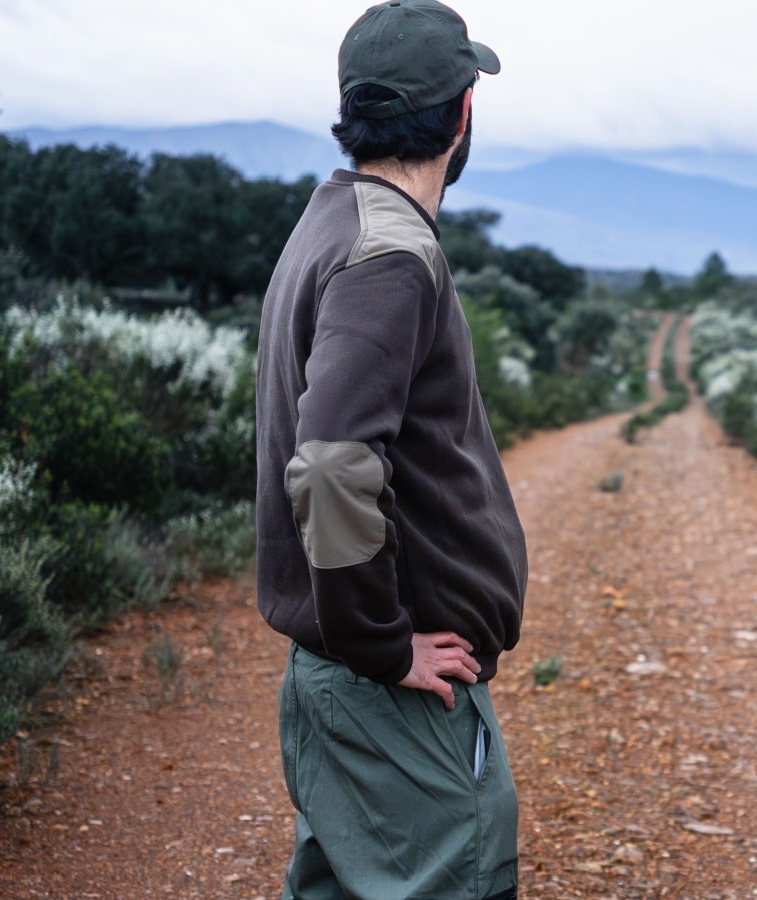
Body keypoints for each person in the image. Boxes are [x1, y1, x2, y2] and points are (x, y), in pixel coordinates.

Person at [254, 2, 525, 897]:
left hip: (338, 689)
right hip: (393, 702)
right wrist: (383, 643)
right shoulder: (390, 255)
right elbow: (332, 464)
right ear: (461, 117)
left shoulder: (330, 222)